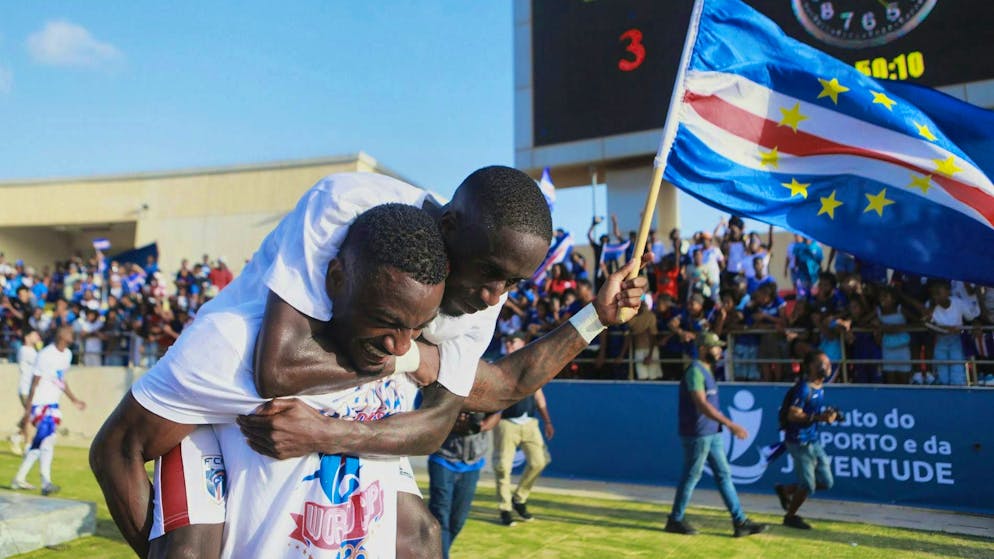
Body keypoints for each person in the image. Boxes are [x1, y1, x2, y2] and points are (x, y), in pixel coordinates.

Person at [91, 170, 648, 558]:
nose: (492, 296)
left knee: (422, 539)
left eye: (511, 283)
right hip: (227, 413)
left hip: (342, 422)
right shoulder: (340, 215)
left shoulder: (476, 297)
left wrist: (331, 428)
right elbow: (276, 369)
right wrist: (414, 360)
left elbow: (482, 395)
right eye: (488, 273)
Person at [665, 332, 767, 538]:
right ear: (703, 349)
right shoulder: (695, 371)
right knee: (692, 476)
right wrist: (730, 424)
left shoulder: (707, 370)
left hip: (712, 434)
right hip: (698, 435)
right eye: (715, 347)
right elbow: (701, 405)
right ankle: (675, 519)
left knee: (723, 475)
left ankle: (740, 522)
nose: (720, 350)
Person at [11, 325, 86, 495]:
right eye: (68, 332)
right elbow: (34, 383)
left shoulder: (67, 355)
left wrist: (74, 400)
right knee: (46, 440)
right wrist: (28, 410)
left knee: (44, 442)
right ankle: (46, 482)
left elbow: (61, 380)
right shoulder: (45, 354)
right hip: (40, 403)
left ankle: (20, 477)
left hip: (53, 404)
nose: (71, 334)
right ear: (61, 335)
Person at [492, 332, 554, 527]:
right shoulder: (500, 364)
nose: (510, 344)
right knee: (503, 467)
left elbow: (539, 396)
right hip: (506, 423)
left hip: (529, 423)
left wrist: (548, 421)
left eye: (514, 341)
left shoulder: (531, 366)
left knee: (540, 461)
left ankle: (519, 498)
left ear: (523, 343)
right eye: (507, 341)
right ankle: (505, 508)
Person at [776, 350, 838, 530]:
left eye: (828, 364)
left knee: (826, 482)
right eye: (821, 364)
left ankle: (786, 490)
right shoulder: (804, 388)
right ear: (810, 367)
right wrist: (819, 418)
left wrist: (830, 415)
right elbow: (793, 415)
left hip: (813, 440)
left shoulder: (820, 387)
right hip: (799, 442)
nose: (826, 367)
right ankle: (790, 517)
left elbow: (813, 414)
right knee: (808, 485)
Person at [428, 410, 500, 558]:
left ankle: (432, 550)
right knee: (440, 515)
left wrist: (480, 426)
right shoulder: (438, 387)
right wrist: (450, 423)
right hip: (443, 457)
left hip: (473, 462)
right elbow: (425, 412)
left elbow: (497, 413)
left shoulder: (485, 390)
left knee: (458, 520)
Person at [10, 329, 42, 455]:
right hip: (25, 389)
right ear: (27, 337)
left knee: (32, 417)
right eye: (34, 334)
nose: (37, 336)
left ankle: (17, 436)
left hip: (32, 390)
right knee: (30, 417)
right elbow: (40, 362)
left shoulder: (33, 351)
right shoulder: (25, 350)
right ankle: (28, 446)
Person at [627, 300, 662, 380]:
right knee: (643, 378)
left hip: (651, 350)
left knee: (654, 378)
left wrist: (650, 355)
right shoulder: (631, 318)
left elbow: (653, 336)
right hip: (638, 349)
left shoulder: (650, 316)